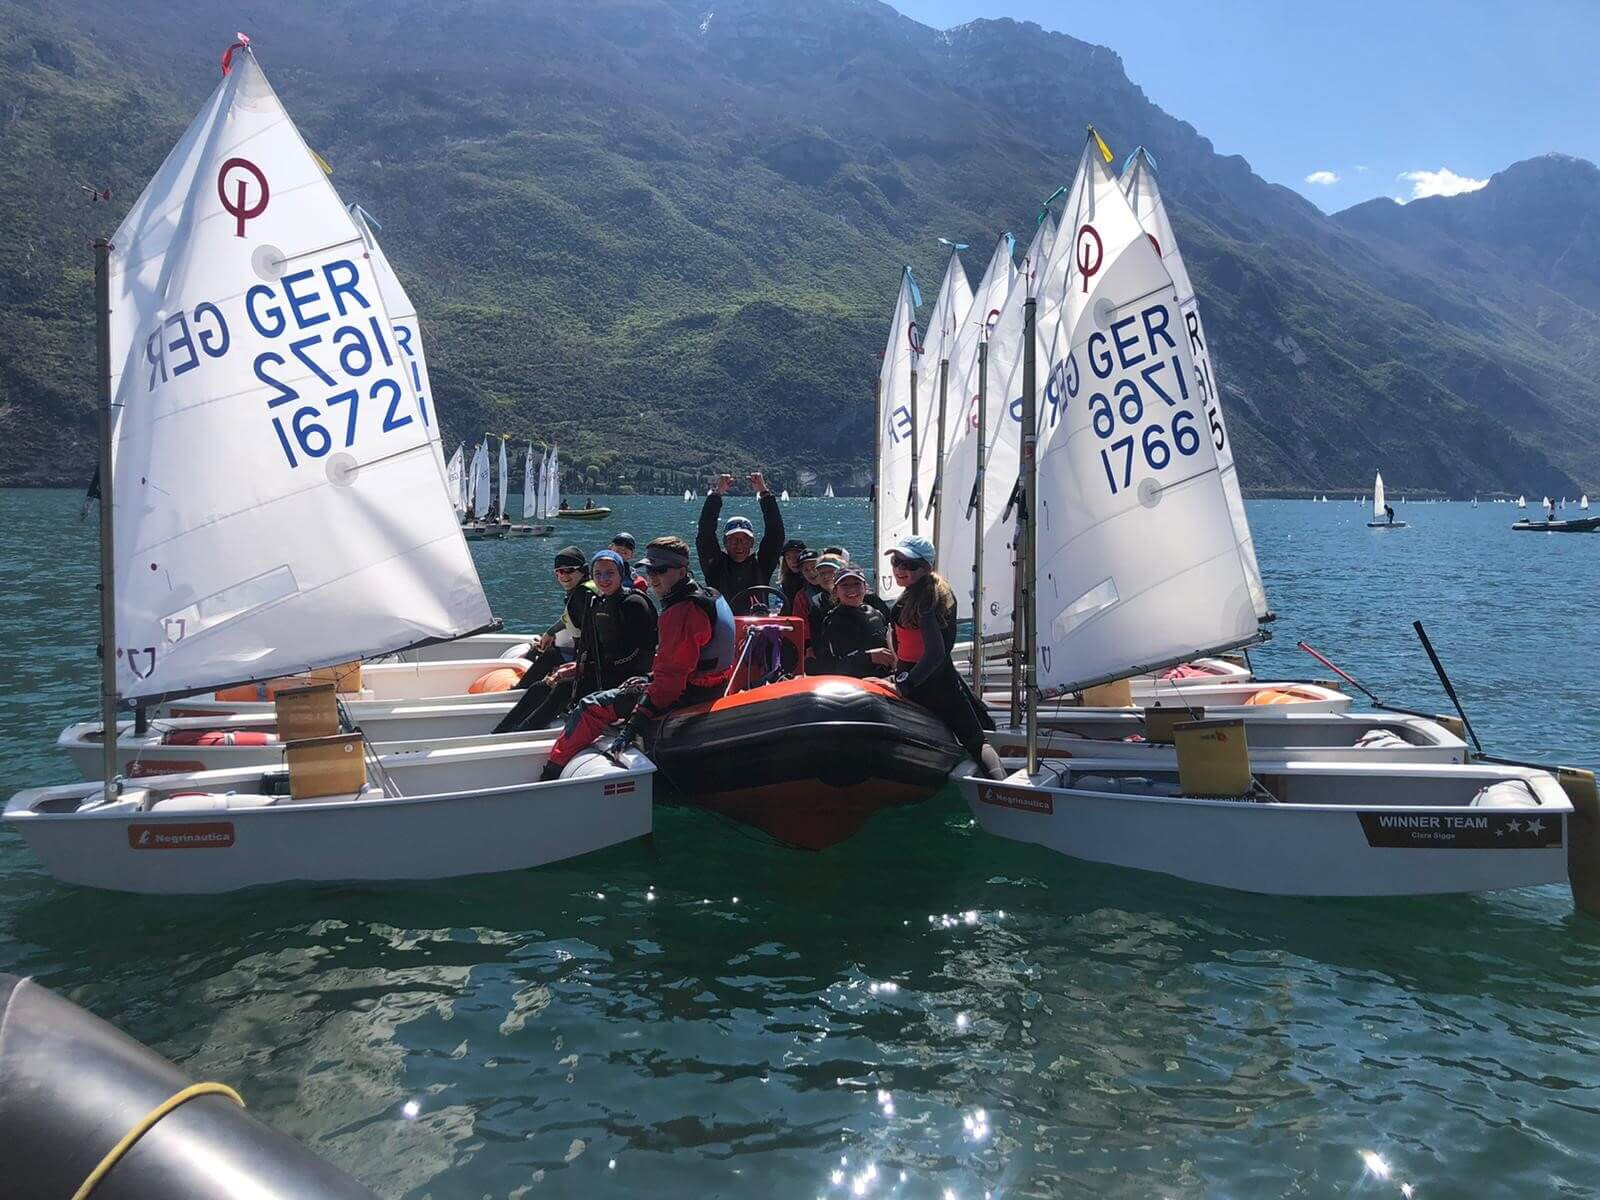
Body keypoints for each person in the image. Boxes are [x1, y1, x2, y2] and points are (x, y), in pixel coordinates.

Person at [541, 536, 736, 779]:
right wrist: (649, 677)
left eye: (661, 570)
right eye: (649, 570)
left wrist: (635, 723)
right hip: (710, 687)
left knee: (590, 706)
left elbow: (670, 684)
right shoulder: (709, 595)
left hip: (688, 693)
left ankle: (551, 774)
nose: (653, 577)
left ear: (682, 571)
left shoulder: (681, 612)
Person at [869, 535, 1007, 780]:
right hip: (925, 678)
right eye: (896, 561)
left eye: (910, 565)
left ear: (926, 568)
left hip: (930, 683)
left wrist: (906, 684)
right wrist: (898, 678)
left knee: (977, 742)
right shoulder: (918, 592)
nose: (900, 569)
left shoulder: (928, 598)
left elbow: (935, 653)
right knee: (976, 740)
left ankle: (1005, 794)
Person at [494, 546, 597, 734]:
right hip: (581, 657)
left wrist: (578, 665)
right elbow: (568, 618)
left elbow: (591, 633)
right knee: (549, 655)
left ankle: (513, 718)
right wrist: (550, 632)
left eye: (569, 570)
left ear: (582, 570)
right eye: (558, 571)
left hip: (586, 663)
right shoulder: (583, 591)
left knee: (546, 673)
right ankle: (516, 705)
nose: (563, 575)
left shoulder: (582, 595)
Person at [697, 471, 785, 615]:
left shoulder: (762, 564)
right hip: (723, 631)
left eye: (744, 539)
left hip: (758, 631)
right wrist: (717, 494)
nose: (738, 544)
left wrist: (764, 492)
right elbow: (705, 532)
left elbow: (775, 534)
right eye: (733, 539)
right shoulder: (715, 566)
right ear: (725, 543)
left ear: (751, 542)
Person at [807, 564, 891, 678]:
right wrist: (868, 657)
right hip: (854, 686)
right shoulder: (833, 622)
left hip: (884, 680)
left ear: (865, 588)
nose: (851, 589)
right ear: (836, 591)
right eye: (845, 585)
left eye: (856, 584)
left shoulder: (876, 613)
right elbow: (828, 666)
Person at [779, 539, 808, 612]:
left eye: (796, 557)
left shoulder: (811, 580)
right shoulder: (785, 581)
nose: (793, 561)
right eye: (788, 558)